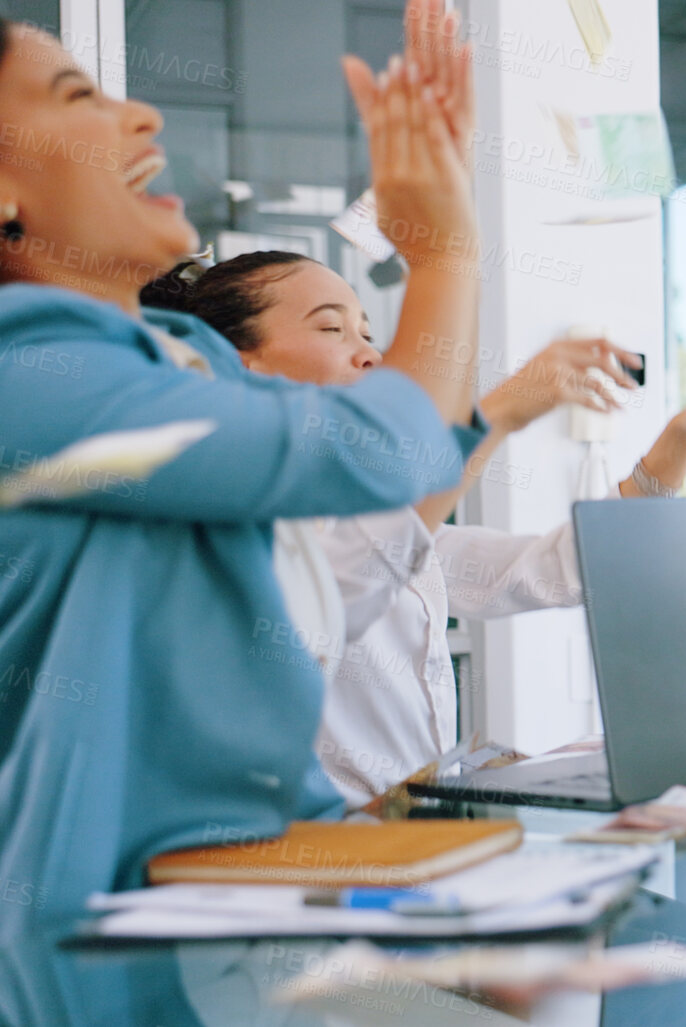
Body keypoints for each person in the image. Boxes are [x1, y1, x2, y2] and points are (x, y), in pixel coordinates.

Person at [0, 17, 488, 1024]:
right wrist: (443, 255)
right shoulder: (29, 384)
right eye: (78, 97)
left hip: (249, 927)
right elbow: (380, 454)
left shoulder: (183, 363)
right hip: (116, 980)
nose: (140, 112)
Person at [152, 249, 686, 802]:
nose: (368, 352)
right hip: (318, 862)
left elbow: (561, 570)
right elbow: (349, 579)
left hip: (407, 847)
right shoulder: (227, 524)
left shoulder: (360, 511)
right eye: (331, 328)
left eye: (366, 330)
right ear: (238, 362)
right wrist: (501, 412)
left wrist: (684, 437)